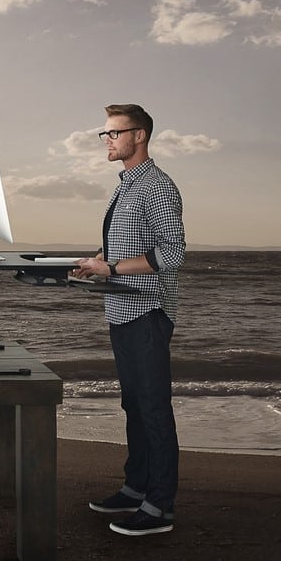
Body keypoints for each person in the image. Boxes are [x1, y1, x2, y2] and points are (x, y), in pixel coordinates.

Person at [73, 103, 185, 537]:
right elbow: (131, 245)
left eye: (114, 133)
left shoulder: (156, 186)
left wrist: (112, 269)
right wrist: (96, 261)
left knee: (154, 408)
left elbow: (171, 255)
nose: (108, 141)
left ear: (139, 135)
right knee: (134, 405)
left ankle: (160, 507)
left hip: (147, 311)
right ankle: (136, 487)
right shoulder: (126, 186)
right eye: (105, 134)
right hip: (121, 309)